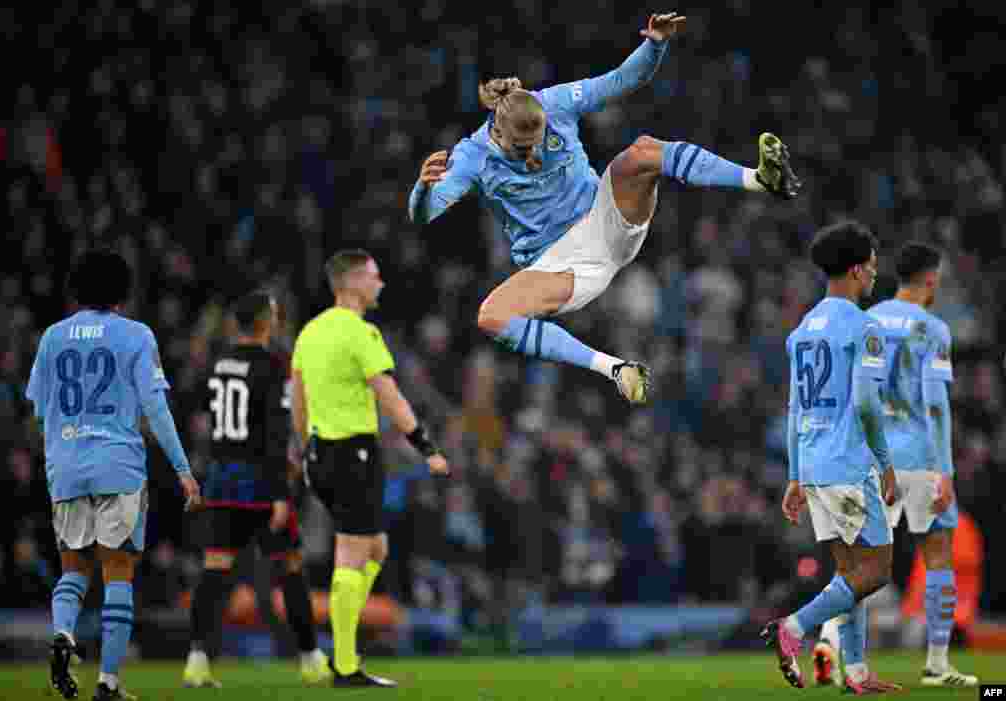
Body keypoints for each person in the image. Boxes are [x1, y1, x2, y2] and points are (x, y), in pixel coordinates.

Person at [408, 12, 801, 404]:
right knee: (491, 315)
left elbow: (623, 80)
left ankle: (759, 178)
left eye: (540, 138)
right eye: (523, 148)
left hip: (604, 218)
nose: (535, 151)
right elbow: (425, 214)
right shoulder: (472, 156)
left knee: (643, 152)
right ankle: (615, 369)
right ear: (497, 131)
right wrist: (422, 191)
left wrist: (655, 44)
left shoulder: (555, 103)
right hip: (558, 263)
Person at [25, 249, 202, 701]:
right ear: (123, 291)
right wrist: (182, 468)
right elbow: (155, 408)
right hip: (117, 465)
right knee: (118, 572)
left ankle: (64, 632)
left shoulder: (51, 338)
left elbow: (40, 409)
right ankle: (108, 682)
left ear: (75, 289)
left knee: (72, 569)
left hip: (65, 466)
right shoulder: (136, 335)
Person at [812, 243, 978, 688]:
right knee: (938, 556)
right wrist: (946, 468)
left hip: (871, 458)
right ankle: (938, 665)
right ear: (930, 279)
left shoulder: (866, 321)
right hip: (922, 458)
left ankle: (829, 638)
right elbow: (936, 402)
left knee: (859, 565)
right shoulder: (933, 329)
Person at [290, 249, 450, 688]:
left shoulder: (310, 333)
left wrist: (305, 450)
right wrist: (427, 447)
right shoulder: (360, 333)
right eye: (375, 277)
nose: (380, 284)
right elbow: (390, 396)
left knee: (376, 550)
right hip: (352, 454)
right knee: (352, 555)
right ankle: (344, 664)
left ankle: (342, 648)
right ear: (354, 282)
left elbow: (298, 399)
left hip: (320, 453)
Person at [762, 221, 902, 694]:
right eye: (875, 268)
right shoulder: (864, 326)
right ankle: (794, 629)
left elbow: (794, 408)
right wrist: (885, 463)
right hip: (849, 464)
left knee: (849, 575)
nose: (876, 278)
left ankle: (856, 673)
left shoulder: (801, 332)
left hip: (816, 466)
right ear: (859, 270)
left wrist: (795, 476)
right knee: (877, 571)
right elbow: (865, 403)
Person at [182, 291, 330, 688]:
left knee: (215, 569)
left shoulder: (217, 363)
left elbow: (204, 414)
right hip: (261, 483)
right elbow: (275, 433)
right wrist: (281, 492)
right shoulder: (272, 365)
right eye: (276, 316)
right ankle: (310, 657)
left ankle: (197, 659)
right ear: (266, 322)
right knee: (290, 568)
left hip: (221, 479)